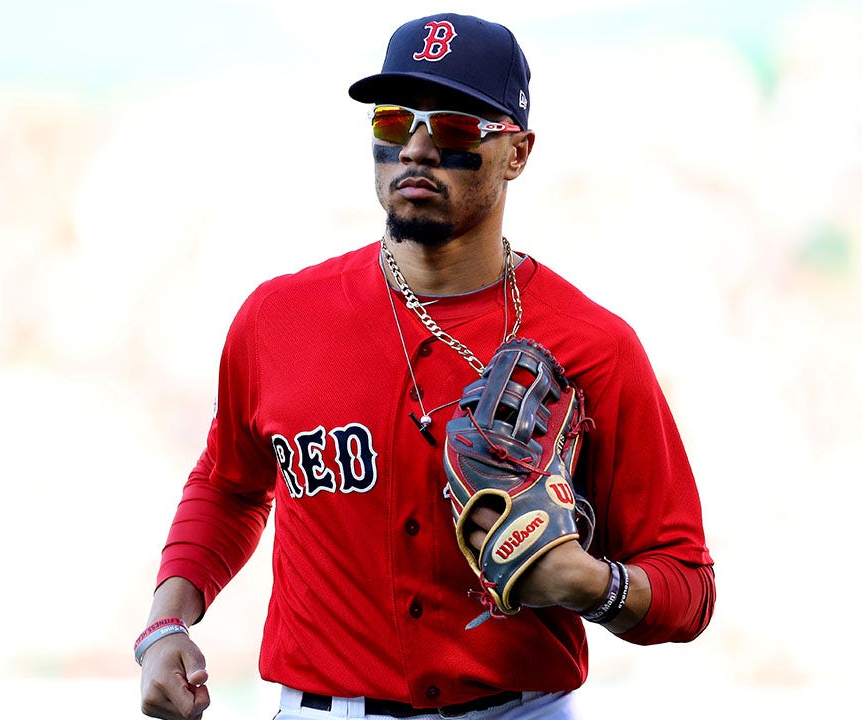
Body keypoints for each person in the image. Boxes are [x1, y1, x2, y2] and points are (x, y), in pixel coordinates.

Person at [136, 12, 715, 720]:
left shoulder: (593, 345)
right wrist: (167, 623)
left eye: (454, 130)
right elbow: (229, 486)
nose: (414, 148)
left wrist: (592, 585)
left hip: (519, 709)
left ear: (517, 152)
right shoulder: (277, 320)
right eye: (391, 123)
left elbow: (688, 584)